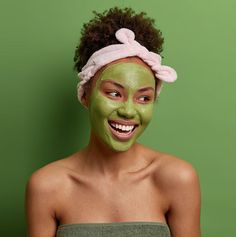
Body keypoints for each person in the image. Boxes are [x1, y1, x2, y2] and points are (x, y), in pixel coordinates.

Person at [25, 7, 201, 237]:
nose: (129, 111)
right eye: (114, 94)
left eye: (144, 98)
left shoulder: (177, 179)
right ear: (85, 95)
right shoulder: (47, 186)